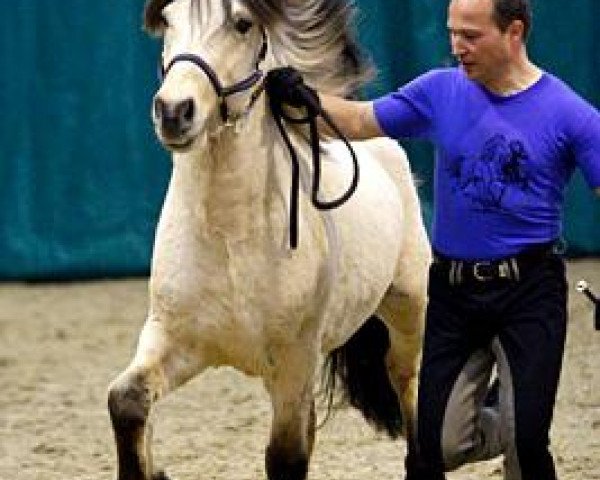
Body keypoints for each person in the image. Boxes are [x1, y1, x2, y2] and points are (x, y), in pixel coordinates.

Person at [265, 0, 600, 478]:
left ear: (515, 32)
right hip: (454, 292)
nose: (456, 46)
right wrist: (298, 99)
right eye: (451, 33)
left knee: (527, 447)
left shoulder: (570, 114)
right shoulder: (440, 92)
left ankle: (519, 425)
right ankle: (508, 416)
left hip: (530, 292)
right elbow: (358, 121)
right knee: (435, 448)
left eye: (471, 35)